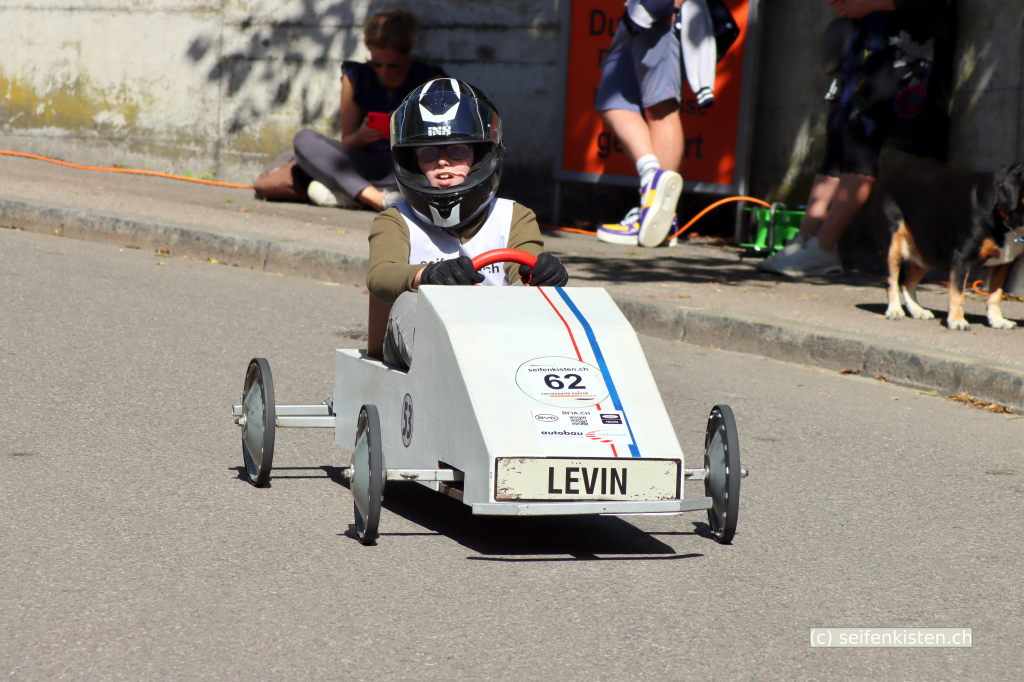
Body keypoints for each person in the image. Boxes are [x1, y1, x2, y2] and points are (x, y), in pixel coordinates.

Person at [366, 78, 570, 368]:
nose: (442, 162)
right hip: (422, 351)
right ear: (412, 163)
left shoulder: (514, 216)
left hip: (498, 339)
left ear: (480, 157)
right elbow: (380, 276)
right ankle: (462, 371)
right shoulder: (396, 220)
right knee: (409, 301)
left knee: (538, 302)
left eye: (457, 151)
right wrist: (427, 276)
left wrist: (542, 275)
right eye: (428, 153)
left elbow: (523, 273)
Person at [758, 0, 957, 277]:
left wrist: (869, 4)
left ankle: (824, 246)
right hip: (865, 49)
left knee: (861, 142)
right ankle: (805, 240)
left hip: (899, 52)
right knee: (837, 140)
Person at [292, 9, 446, 211]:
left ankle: (351, 194)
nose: (383, 72)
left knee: (435, 166)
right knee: (304, 139)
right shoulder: (356, 77)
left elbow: (439, 140)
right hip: (364, 163)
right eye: (376, 64)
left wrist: (405, 126)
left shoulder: (429, 81)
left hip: (405, 164)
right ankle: (378, 199)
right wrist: (361, 136)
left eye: (393, 66)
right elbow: (347, 142)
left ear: (407, 56)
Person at [594, 0, 718, 248]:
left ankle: (658, 211)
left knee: (660, 107)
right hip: (639, 11)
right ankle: (653, 192)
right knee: (613, 98)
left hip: (660, 10)